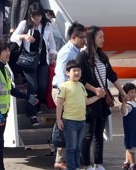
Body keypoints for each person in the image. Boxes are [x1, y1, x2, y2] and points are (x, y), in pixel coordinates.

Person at [0, 38, 39, 170]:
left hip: (2, 112)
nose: (8, 53)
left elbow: (11, 90)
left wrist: (27, 97)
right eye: (5, 50)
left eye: (8, 50)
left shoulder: (5, 69)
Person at [76, 26, 127, 170]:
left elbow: (111, 74)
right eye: (100, 37)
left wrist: (121, 91)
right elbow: (80, 78)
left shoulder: (102, 56)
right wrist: (94, 90)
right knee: (88, 135)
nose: (103, 40)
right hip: (91, 101)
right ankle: (85, 165)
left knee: (99, 134)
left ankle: (98, 163)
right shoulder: (82, 57)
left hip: (102, 101)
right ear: (92, 39)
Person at [10, 2, 57, 125]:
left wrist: (52, 56)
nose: (37, 19)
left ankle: (37, 105)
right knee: (33, 87)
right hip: (29, 61)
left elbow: (51, 44)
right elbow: (12, 37)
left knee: (42, 86)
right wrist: (24, 36)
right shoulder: (25, 24)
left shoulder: (46, 25)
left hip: (42, 61)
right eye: (34, 17)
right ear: (30, 16)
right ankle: (32, 114)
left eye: (39, 16)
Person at [51, 21, 86, 170]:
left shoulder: (76, 51)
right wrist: (63, 95)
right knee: (66, 124)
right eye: (82, 38)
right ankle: (61, 160)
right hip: (63, 91)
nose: (84, 40)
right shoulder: (67, 52)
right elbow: (60, 74)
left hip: (71, 91)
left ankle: (67, 158)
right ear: (74, 37)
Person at [56, 60, 103, 170]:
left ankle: (76, 167)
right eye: (74, 70)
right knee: (71, 148)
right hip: (69, 122)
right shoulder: (64, 87)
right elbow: (59, 104)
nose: (77, 72)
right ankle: (71, 168)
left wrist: (98, 96)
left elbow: (86, 101)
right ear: (67, 73)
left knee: (78, 147)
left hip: (81, 121)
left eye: (78, 70)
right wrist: (59, 119)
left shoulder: (81, 85)